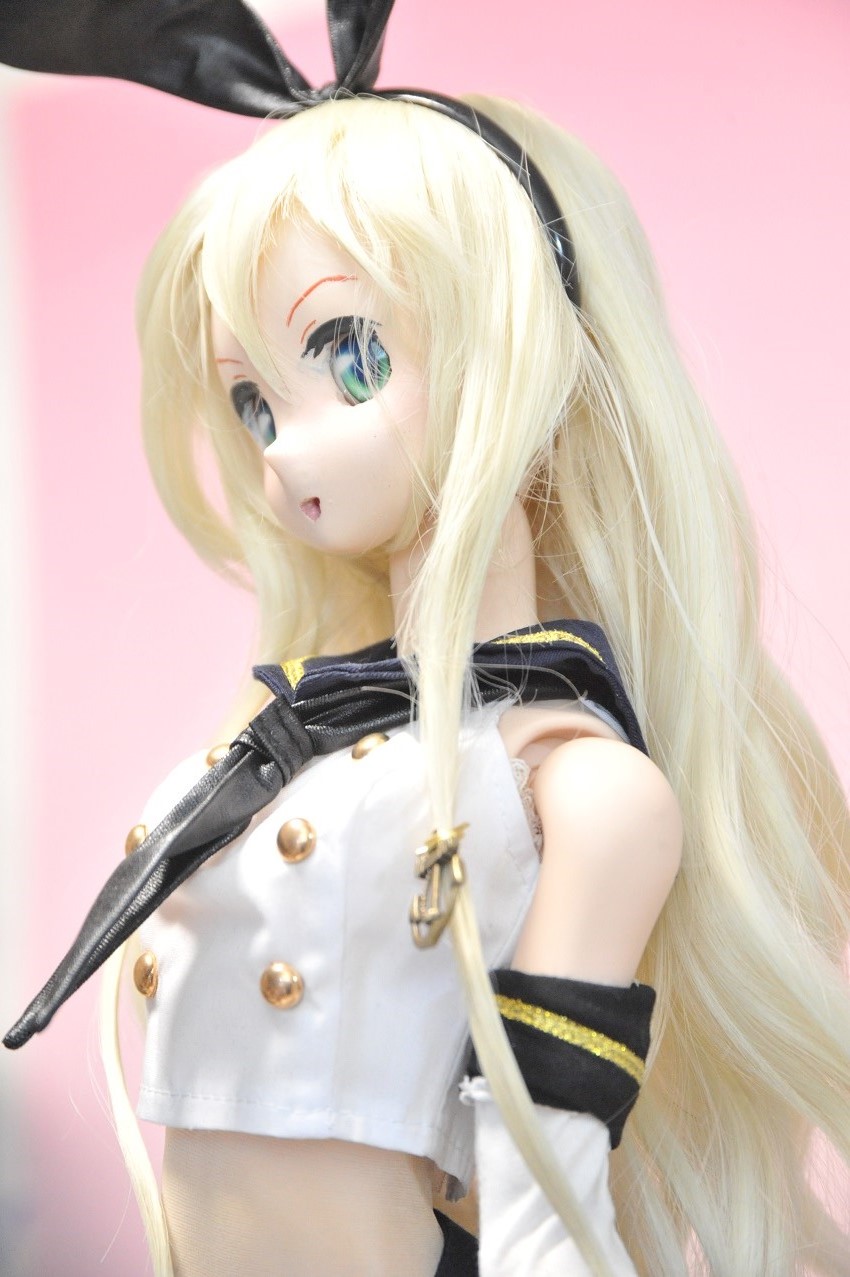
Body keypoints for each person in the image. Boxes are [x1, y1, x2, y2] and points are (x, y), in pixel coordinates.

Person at [2, 5, 848, 1275]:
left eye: (349, 357)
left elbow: (541, 1195)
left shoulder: (578, 785)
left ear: (514, 346)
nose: (283, 451)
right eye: (252, 403)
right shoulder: (292, 736)